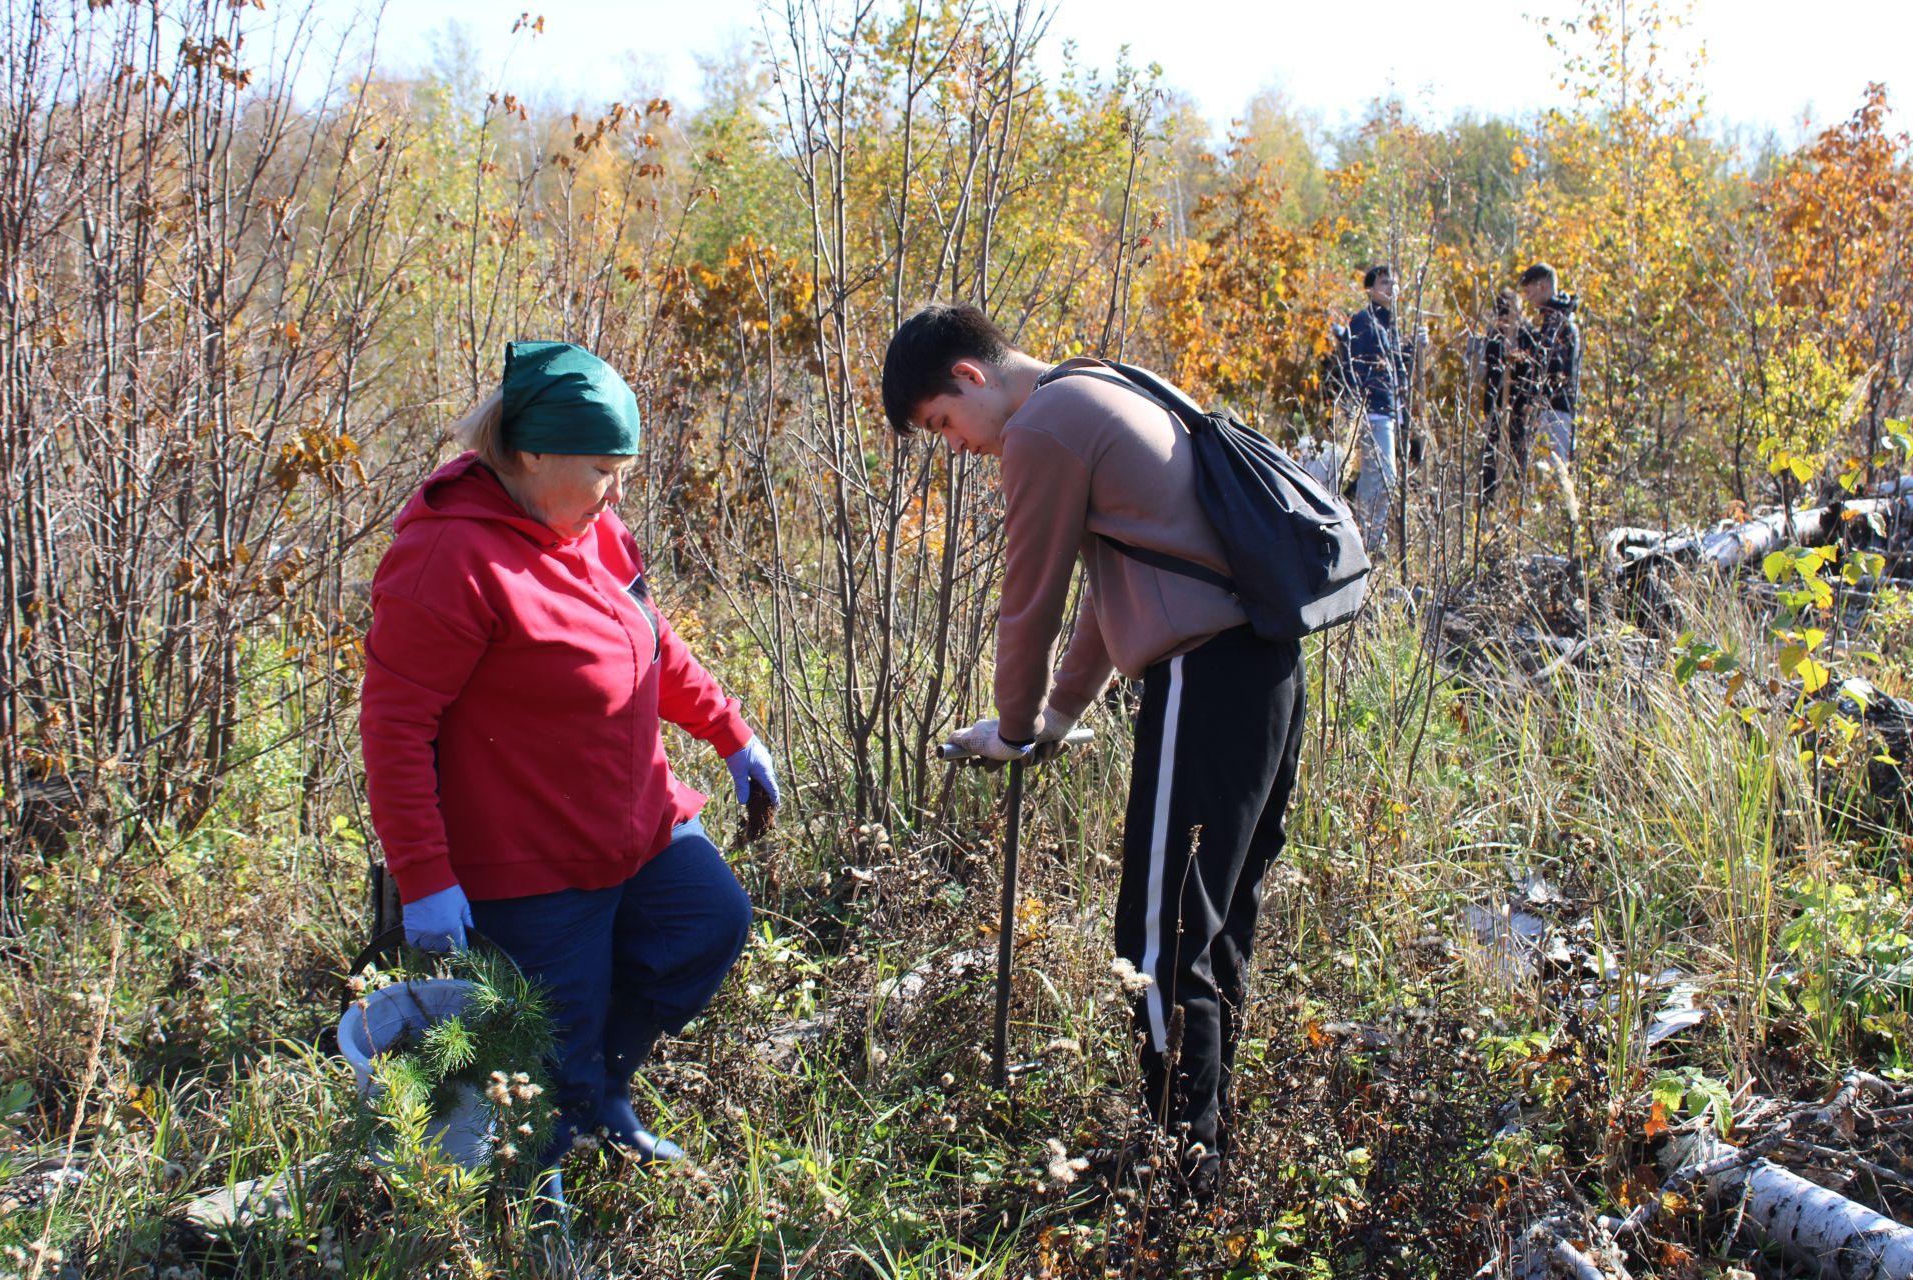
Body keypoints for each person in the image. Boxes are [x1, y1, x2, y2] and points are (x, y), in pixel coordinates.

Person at [879, 304, 1307, 1203]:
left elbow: (1028, 602)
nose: (953, 448)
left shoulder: (1044, 428)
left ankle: (1178, 1169)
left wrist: (1016, 723)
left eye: (942, 426)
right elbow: (1116, 596)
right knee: (1211, 920)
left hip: (1204, 673)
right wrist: (1058, 718)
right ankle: (1199, 1147)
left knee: (1159, 935)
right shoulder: (1097, 384)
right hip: (1260, 669)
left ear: (968, 377)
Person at [359, 341, 780, 1197]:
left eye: (623, 471)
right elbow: (395, 728)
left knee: (708, 924)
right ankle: (534, 1191)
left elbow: (651, 644)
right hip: (532, 858)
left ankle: (603, 1098)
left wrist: (731, 734)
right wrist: (425, 877)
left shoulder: (590, 529)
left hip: (637, 826)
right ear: (533, 453)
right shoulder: (450, 560)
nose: (618, 492)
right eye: (603, 470)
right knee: (549, 1032)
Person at [1346, 265, 1421, 552]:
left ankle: (1366, 537)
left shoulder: (1392, 324)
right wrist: (1360, 407)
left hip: (1391, 410)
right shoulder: (1365, 321)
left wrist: (1414, 347)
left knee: (1376, 476)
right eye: (1385, 282)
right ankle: (1369, 539)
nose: (1391, 287)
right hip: (1373, 410)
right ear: (1370, 288)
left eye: (1394, 282)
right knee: (1382, 476)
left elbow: (1402, 371)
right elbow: (1356, 367)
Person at [1518, 262, 1580, 469]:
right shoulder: (1557, 319)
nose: (1527, 298)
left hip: (1556, 410)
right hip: (1554, 409)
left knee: (1553, 474)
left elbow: (1550, 364)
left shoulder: (1558, 322)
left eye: (1528, 291)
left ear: (1542, 286)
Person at [1478, 288, 1533, 508]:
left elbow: (1531, 370)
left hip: (1517, 406)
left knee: (1519, 452)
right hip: (1495, 404)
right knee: (1491, 454)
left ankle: (1522, 498)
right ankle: (1488, 503)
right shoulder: (1493, 336)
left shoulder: (1527, 334)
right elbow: (1486, 369)